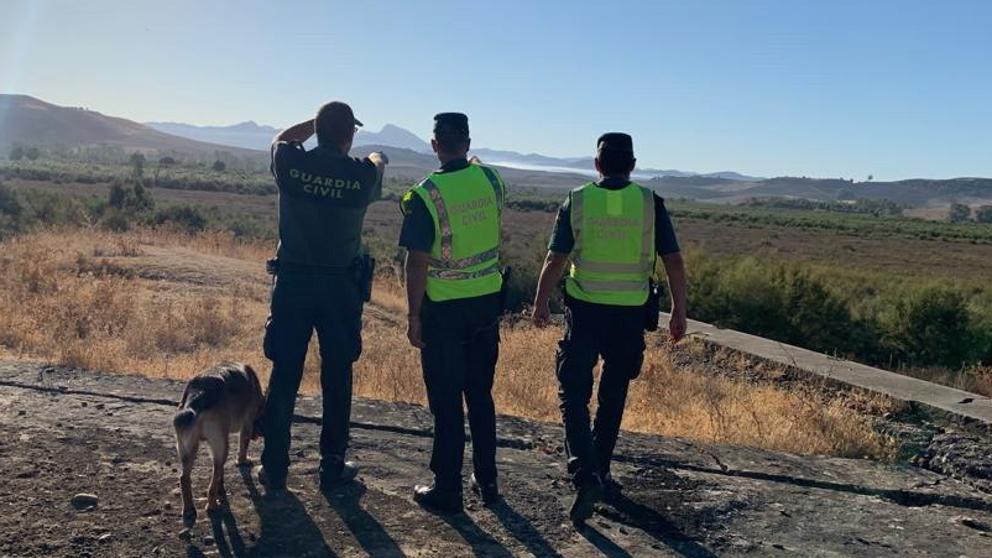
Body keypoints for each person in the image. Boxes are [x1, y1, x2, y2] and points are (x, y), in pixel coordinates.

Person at [531, 132, 688, 523]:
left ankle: (586, 474)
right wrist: (680, 311)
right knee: (614, 392)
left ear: (597, 164)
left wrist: (540, 302)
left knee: (572, 389)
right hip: (631, 314)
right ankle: (600, 469)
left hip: (585, 311)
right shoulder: (650, 203)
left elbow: (555, 258)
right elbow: (674, 261)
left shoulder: (579, 199)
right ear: (632, 166)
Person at [257, 101, 388, 491]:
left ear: (317, 130)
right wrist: (374, 153)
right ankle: (331, 465)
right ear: (349, 136)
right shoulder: (361, 174)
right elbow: (378, 161)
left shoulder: (291, 163)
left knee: (284, 373)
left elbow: (281, 139)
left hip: (293, 283)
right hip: (339, 289)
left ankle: (275, 467)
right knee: (337, 375)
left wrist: (312, 127)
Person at [399, 112, 506, 514]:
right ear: (468, 141)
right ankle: (488, 478)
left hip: (443, 311)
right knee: (480, 395)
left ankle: (448, 488)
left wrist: (413, 315)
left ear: (434, 145)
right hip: (486, 305)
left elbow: (417, 260)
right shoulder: (492, 180)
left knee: (446, 403)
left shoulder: (426, 194)